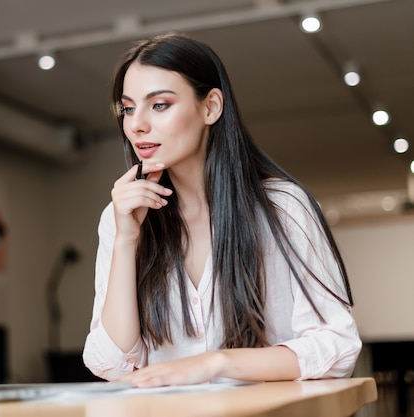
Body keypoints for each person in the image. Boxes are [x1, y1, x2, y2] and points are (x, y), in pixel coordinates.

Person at [82, 32, 361, 387]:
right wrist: (125, 239)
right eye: (128, 108)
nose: (136, 124)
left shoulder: (281, 208)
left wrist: (216, 363)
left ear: (211, 106)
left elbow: (336, 345)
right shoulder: (122, 218)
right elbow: (110, 363)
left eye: (160, 104)